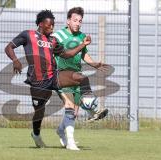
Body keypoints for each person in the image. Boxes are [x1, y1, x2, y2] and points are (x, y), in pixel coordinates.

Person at [4, 9, 93, 149]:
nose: (52, 28)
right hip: (38, 82)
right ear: (40, 24)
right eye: (49, 25)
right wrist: (15, 60)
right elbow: (9, 47)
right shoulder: (28, 35)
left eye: (53, 25)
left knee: (81, 79)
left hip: (54, 77)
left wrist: (83, 45)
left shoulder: (53, 40)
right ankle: (36, 134)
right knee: (40, 112)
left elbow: (67, 54)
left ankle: (89, 107)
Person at [53, 7, 110, 150]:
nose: (77, 23)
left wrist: (94, 64)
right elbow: (62, 52)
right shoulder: (58, 36)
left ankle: (61, 130)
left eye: (80, 21)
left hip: (76, 77)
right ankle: (71, 142)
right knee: (70, 107)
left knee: (75, 112)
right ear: (68, 21)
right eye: (75, 20)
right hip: (62, 75)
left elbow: (84, 55)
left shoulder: (81, 36)